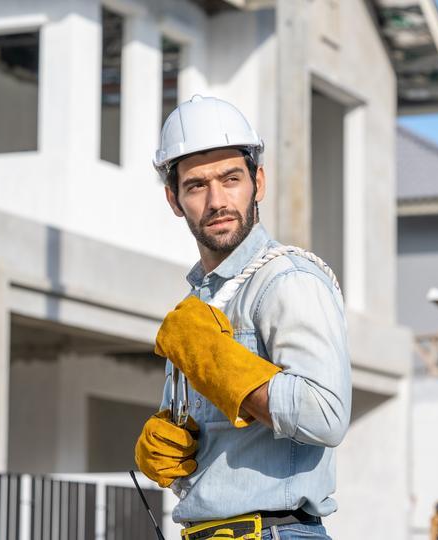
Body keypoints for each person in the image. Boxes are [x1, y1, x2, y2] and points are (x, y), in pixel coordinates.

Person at [135, 95, 351, 540]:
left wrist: (218, 361)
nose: (217, 200)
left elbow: (326, 415)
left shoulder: (287, 280)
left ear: (259, 182)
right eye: (196, 186)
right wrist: (166, 447)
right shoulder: (196, 311)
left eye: (231, 179)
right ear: (174, 200)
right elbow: (207, 427)